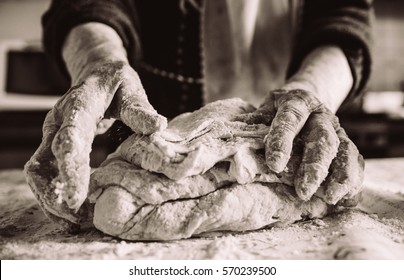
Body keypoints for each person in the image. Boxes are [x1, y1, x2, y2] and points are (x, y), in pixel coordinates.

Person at [25, 0, 373, 230]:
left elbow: (343, 16)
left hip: (294, 134)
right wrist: (98, 60)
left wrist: (311, 90)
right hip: (148, 131)